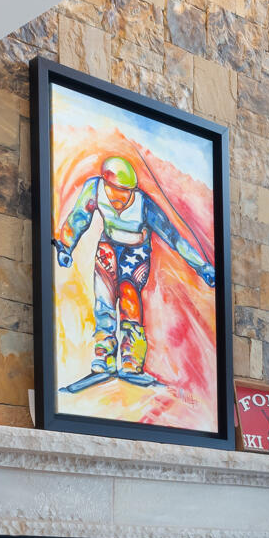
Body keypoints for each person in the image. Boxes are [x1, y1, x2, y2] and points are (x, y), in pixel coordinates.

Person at [52, 154, 216, 391]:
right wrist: (66, 247)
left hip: (136, 254)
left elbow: (174, 237)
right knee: (104, 302)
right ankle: (103, 362)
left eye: (126, 194)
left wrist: (204, 267)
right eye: (116, 193)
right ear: (106, 183)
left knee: (129, 298)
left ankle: (131, 364)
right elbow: (79, 218)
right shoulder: (94, 189)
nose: (120, 201)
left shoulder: (144, 204)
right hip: (108, 249)